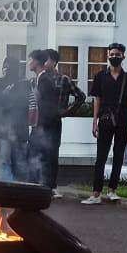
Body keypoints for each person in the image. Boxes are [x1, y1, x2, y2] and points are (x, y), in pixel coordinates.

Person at [82, 43, 127, 205]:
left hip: (123, 120)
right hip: (105, 119)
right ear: (108, 55)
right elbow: (97, 100)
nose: (114, 57)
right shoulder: (100, 76)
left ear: (123, 56)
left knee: (119, 156)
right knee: (101, 157)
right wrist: (95, 121)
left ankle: (112, 190)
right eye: (112, 54)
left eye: (117, 54)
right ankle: (96, 193)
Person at [31, 49, 85, 195]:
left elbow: (81, 96)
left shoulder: (63, 79)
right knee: (37, 151)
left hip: (54, 121)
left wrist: (67, 112)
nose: (45, 62)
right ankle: (38, 183)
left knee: (52, 153)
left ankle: (52, 186)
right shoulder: (37, 78)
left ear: (54, 62)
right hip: (40, 121)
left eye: (48, 60)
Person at [0, 56, 31, 182]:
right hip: (2, 129)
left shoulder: (24, 83)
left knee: (19, 161)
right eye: (5, 65)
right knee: (3, 160)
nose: (6, 69)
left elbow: (25, 104)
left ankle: (19, 188)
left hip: (19, 129)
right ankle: (3, 186)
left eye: (9, 66)